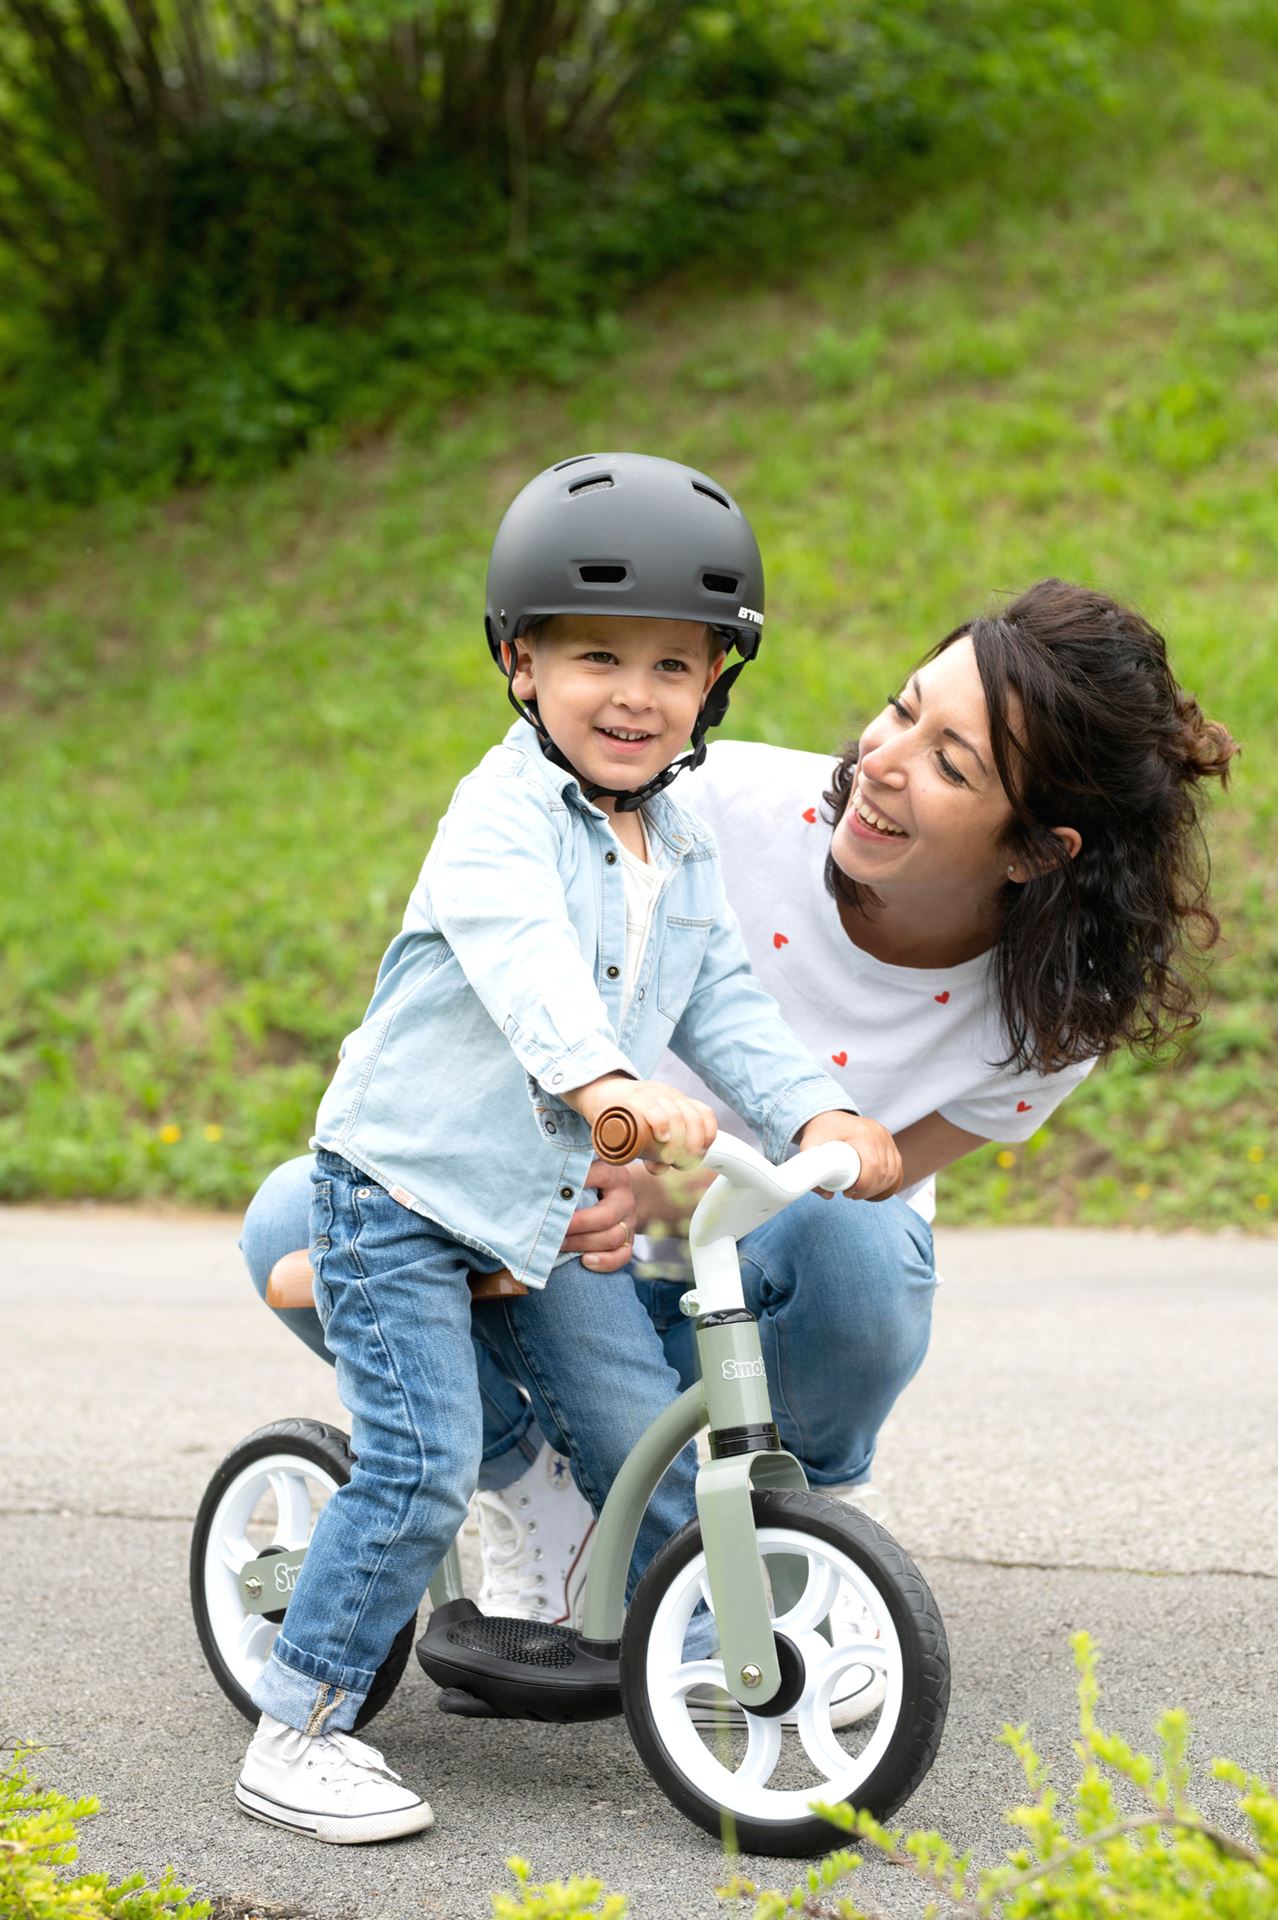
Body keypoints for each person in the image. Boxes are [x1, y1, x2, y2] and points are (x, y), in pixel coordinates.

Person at [243, 575, 1237, 1660]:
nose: (884, 763)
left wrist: (657, 1178)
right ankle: (528, 1481)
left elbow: (869, 1177)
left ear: (1034, 850)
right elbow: (515, 991)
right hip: (570, 1240)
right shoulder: (699, 807)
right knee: (301, 1218)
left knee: (864, 1241)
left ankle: (795, 1512)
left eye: (950, 764)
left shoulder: (1055, 1010)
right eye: (904, 708)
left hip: (751, 1284)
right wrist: (565, 1162)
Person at [233, 450, 903, 1845]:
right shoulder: (496, 820)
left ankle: (712, 1651)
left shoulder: (678, 837)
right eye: (594, 655)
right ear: (517, 662)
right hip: (406, 1192)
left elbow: (720, 995)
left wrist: (816, 1114)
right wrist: (606, 1087)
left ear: (717, 681)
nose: (634, 695)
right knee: (422, 1461)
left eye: (674, 664)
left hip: (535, 1208)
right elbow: (530, 975)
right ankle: (296, 1723)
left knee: (633, 1431)